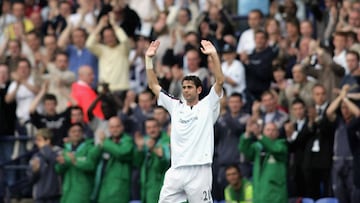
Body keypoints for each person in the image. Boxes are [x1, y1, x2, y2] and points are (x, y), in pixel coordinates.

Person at [145, 40, 224, 202]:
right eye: (184, 87)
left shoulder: (207, 105)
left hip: (199, 169)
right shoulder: (175, 106)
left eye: (190, 87)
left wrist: (214, 55)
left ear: (199, 89)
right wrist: (148, 59)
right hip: (176, 169)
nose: (186, 90)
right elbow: (153, 85)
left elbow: (220, 81)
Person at [239, 122, 288, 203]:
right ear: (264, 131)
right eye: (268, 130)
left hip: (276, 197)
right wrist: (247, 133)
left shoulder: (281, 145)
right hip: (259, 196)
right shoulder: (257, 147)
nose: (270, 132)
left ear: (278, 133)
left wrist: (259, 136)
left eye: (273, 130)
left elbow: (274, 149)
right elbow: (244, 149)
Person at [91, 117, 134, 203]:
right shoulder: (107, 141)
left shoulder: (127, 140)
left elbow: (121, 153)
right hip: (103, 188)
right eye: (112, 127)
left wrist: (105, 142)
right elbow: (92, 157)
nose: (115, 130)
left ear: (122, 127)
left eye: (117, 126)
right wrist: (100, 145)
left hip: (119, 189)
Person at [55, 123, 98, 203]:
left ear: (83, 133)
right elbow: (58, 170)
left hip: (83, 191)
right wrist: (62, 163)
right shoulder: (66, 149)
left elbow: (91, 166)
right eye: (73, 131)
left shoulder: (90, 148)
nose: (76, 133)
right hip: (67, 191)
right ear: (69, 134)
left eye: (79, 131)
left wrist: (75, 162)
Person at [133, 118, 171, 203]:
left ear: (159, 127)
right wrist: (139, 149)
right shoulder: (145, 141)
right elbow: (136, 163)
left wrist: (154, 149)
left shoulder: (166, 140)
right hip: (146, 186)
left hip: (161, 185)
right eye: (148, 128)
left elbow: (162, 166)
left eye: (154, 127)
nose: (151, 130)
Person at [28, 128, 62, 203]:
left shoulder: (59, 152)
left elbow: (55, 161)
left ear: (48, 141)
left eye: (39, 140)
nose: (37, 143)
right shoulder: (36, 156)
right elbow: (31, 180)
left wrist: (45, 148)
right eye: (36, 140)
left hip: (55, 196)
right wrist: (35, 172)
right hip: (39, 197)